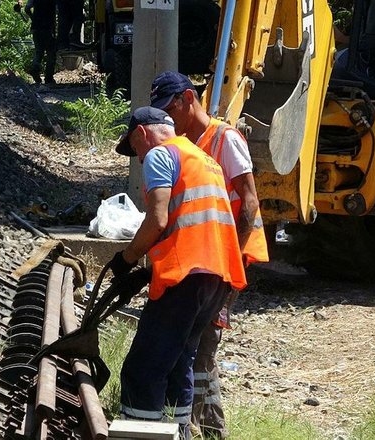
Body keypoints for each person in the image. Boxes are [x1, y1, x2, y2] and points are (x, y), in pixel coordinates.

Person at [109, 106, 247, 440]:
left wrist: (125, 260)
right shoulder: (203, 159)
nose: (140, 159)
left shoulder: (160, 155)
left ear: (142, 134)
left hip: (187, 275)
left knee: (143, 370)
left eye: (136, 150)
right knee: (178, 364)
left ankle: (139, 435)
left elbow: (157, 219)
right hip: (218, 279)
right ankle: (180, 432)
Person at [150, 71, 270, 439]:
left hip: (228, 257)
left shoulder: (225, 138)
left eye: (171, 109)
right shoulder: (187, 141)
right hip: (209, 258)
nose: (169, 120)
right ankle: (207, 427)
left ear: (188, 98)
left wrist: (230, 261)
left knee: (202, 344)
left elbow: (249, 202)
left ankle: (204, 428)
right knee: (199, 344)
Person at [25, 0, 57, 84]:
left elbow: (27, 8)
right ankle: (49, 78)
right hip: (48, 27)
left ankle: (35, 69)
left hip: (36, 27)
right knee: (51, 53)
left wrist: (33, 18)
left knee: (39, 51)